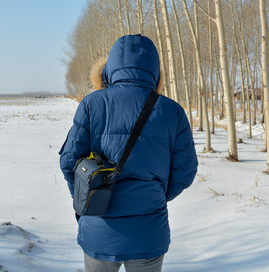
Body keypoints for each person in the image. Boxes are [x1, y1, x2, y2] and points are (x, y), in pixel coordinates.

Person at [59, 34, 198, 272]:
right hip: (149, 232)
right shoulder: (172, 111)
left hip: (99, 228)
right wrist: (155, 195)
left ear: (109, 69)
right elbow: (185, 171)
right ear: (155, 71)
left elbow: (70, 161)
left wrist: (86, 199)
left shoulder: (92, 105)